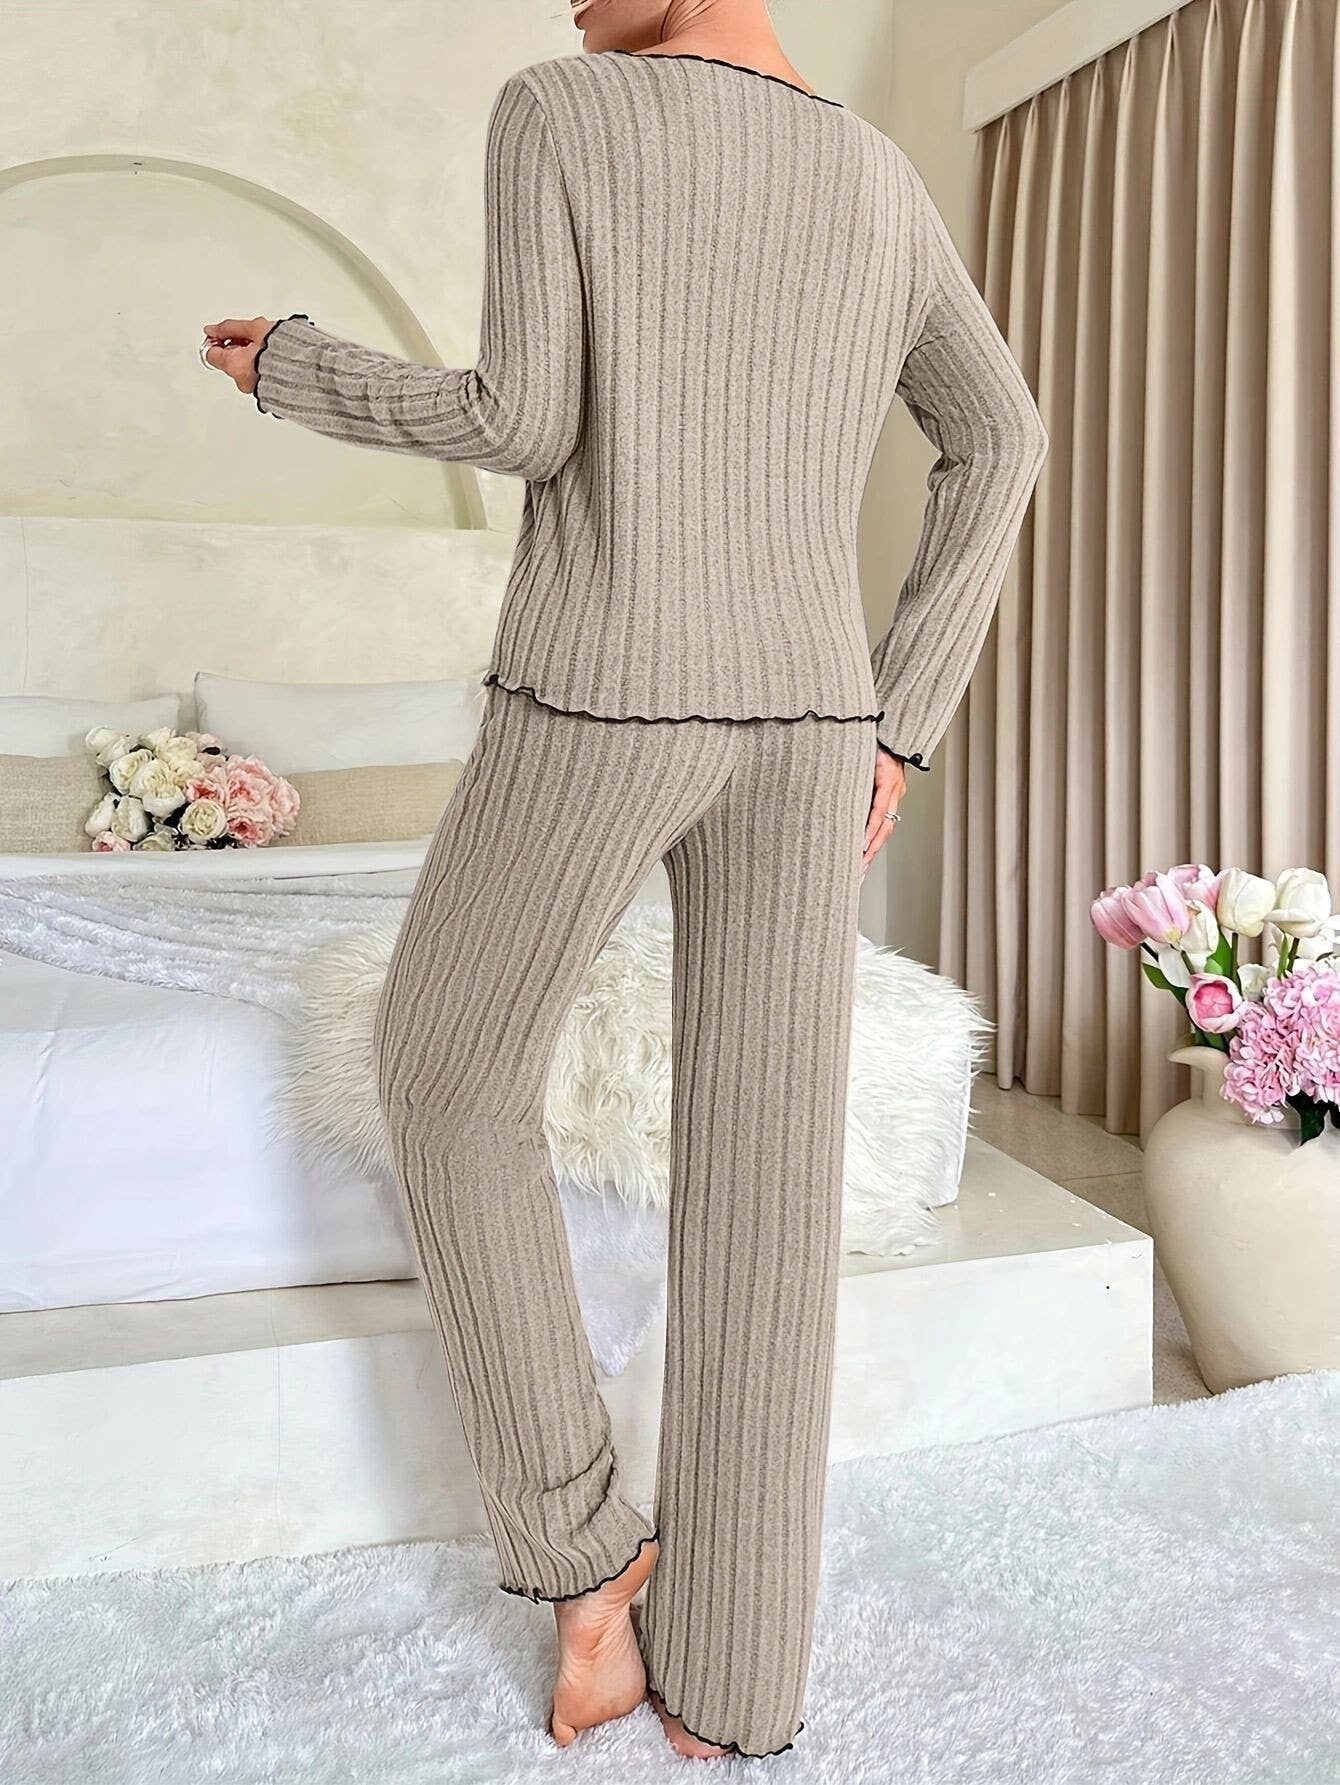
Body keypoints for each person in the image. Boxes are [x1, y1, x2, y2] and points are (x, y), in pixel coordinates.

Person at [204, 0, 1046, 1761]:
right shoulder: (878, 177)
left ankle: (590, 1556)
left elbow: (522, 418)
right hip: (813, 723)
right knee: (767, 1183)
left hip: (603, 693)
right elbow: (1004, 439)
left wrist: (296, 365)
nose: (570, 2)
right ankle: (737, 1681)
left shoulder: (562, 112)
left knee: (443, 1066)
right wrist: (901, 715)